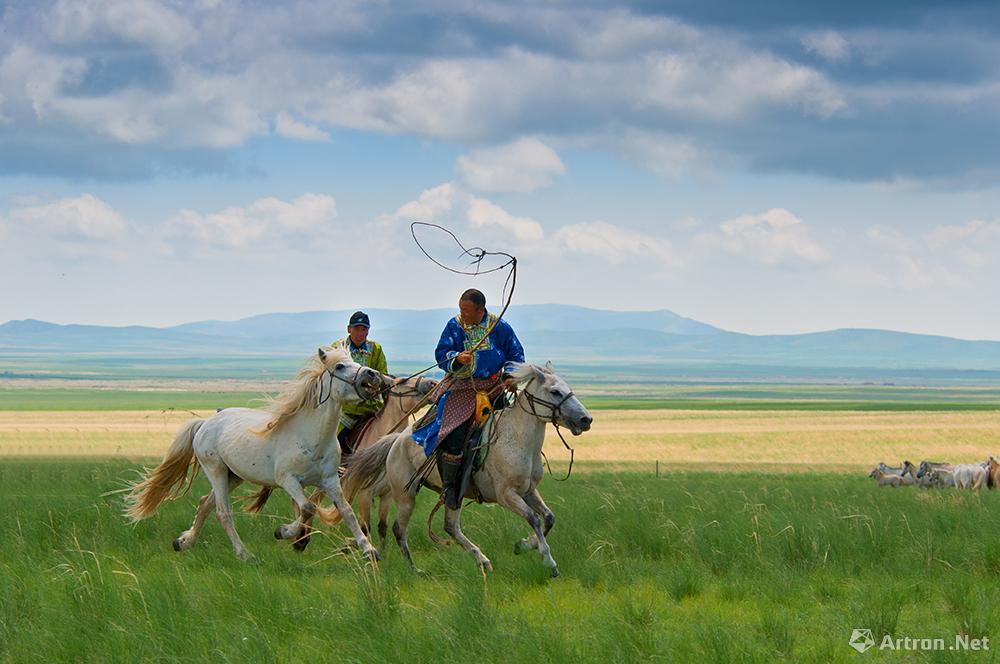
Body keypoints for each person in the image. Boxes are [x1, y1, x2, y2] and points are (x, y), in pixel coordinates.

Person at [411, 289, 525, 508]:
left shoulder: (499, 327)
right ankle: (449, 489)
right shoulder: (454, 325)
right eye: (460, 308)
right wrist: (456, 358)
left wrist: (510, 377)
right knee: (453, 435)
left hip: (494, 388)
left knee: (512, 430)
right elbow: (441, 352)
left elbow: (515, 355)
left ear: (480, 309)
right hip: (463, 388)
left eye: (466, 309)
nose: (461, 313)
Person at [332, 311, 388, 455]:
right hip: (346, 409)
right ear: (348, 329)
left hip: (372, 407)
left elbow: (382, 373)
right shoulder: (339, 348)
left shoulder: (375, 348)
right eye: (357, 328)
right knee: (336, 442)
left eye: (364, 329)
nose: (360, 333)